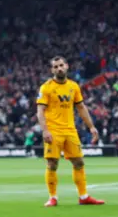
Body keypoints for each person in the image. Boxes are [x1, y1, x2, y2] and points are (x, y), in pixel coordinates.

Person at [37, 56, 105, 207]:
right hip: (53, 131)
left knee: (79, 162)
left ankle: (83, 196)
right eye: (55, 67)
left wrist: (91, 127)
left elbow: (81, 107)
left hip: (70, 130)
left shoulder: (74, 86)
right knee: (52, 163)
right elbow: (40, 111)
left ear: (67, 66)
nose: (59, 68)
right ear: (52, 70)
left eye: (61, 65)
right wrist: (45, 131)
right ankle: (53, 197)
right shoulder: (46, 87)